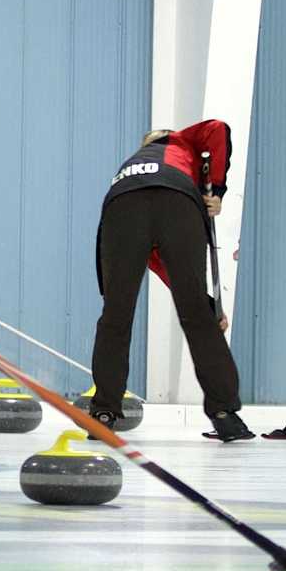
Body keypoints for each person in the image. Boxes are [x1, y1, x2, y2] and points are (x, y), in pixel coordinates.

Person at [91, 121, 249, 442]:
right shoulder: (181, 141)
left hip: (121, 203)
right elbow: (217, 128)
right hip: (178, 199)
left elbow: (159, 264)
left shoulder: (134, 165)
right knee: (196, 317)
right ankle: (224, 414)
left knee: (116, 314)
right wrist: (217, 190)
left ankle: (104, 412)